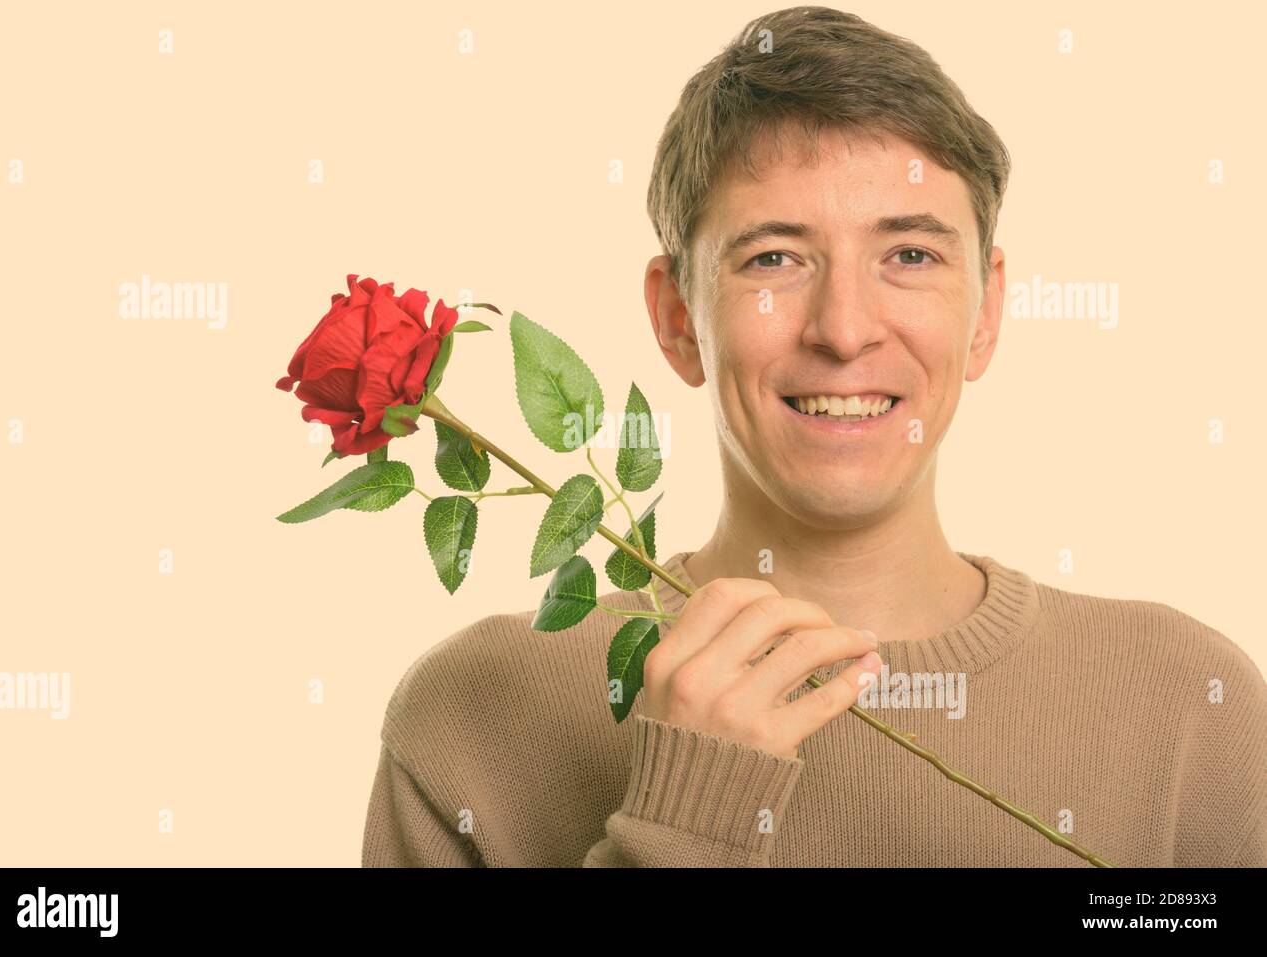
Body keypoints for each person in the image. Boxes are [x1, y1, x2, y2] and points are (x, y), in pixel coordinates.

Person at [362, 5, 1266, 867]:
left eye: (909, 254)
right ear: (678, 318)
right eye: (774, 259)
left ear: (986, 312)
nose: (844, 329)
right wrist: (685, 819)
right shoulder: (473, 717)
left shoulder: (1190, 707)